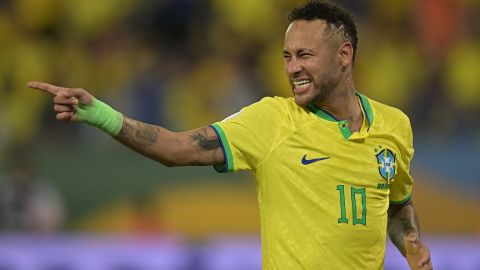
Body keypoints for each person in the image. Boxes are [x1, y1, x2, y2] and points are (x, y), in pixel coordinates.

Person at [28, 1, 432, 269]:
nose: (292, 68)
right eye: (287, 57)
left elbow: (397, 203)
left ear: (344, 56)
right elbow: (175, 148)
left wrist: (413, 246)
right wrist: (99, 113)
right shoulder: (271, 121)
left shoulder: (395, 127)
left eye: (305, 55)